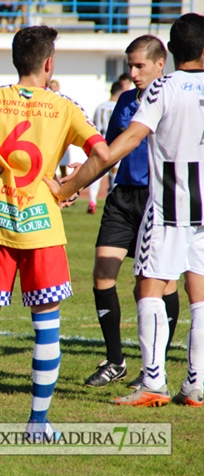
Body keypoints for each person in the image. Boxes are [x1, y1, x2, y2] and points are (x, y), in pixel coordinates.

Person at [0, 25, 109, 442]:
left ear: (17, 60)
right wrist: (66, 189)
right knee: (46, 325)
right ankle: (37, 422)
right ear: (49, 63)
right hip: (44, 231)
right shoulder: (63, 106)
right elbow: (102, 154)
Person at [49, 13, 204, 408]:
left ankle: (153, 382)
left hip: (169, 204)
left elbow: (120, 146)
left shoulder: (162, 89)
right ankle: (195, 385)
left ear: (169, 52)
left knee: (149, 288)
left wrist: (69, 186)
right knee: (199, 295)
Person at [82, 35, 180, 390]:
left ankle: (155, 366)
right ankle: (115, 360)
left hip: (159, 199)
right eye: (130, 66)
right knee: (102, 274)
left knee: (157, 286)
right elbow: (106, 152)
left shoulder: (174, 98)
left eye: (140, 65)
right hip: (123, 200)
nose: (134, 73)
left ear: (160, 63)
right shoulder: (125, 101)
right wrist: (76, 185)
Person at [90, 79, 124, 206]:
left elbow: (93, 125)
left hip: (99, 141)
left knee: (96, 171)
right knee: (115, 170)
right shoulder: (119, 106)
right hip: (114, 141)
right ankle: (114, 197)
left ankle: (92, 200)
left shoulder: (100, 107)